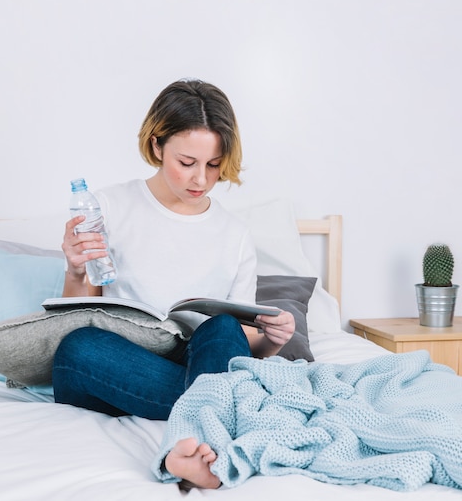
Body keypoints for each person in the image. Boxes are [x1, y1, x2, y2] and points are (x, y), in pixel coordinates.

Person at [52, 78, 295, 421]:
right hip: (121, 363)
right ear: (156, 147)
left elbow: (240, 346)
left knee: (223, 327)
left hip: (196, 362)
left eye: (213, 164)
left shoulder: (235, 234)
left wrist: (273, 341)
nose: (201, 180)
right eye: (187, 162)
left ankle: (194, 439)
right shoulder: (108, 207)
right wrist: (76, 270)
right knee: (78, 347)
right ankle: (216, 413)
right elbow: (76, 318)